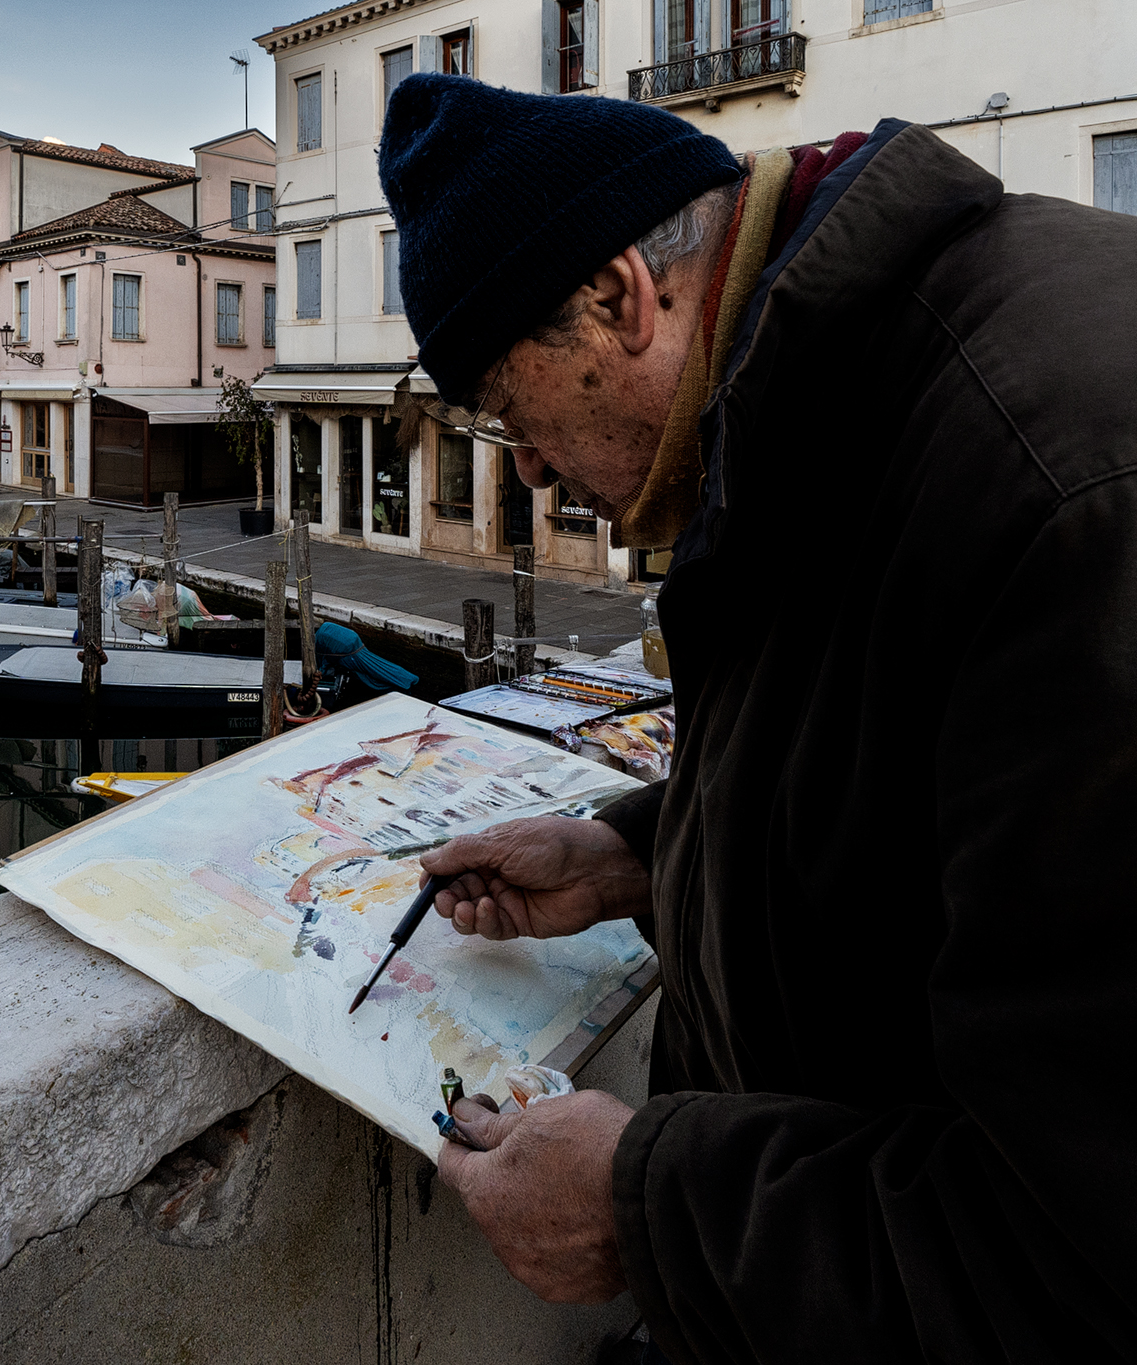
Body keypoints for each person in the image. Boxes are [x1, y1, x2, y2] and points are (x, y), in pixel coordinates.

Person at [378, 75, 1137, 1364]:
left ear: (622, 297)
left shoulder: (1052, 478)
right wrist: (641, 853)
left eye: (513, 415)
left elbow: (1089, 1246)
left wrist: (651, 1212)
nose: (530, 472)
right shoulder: (824, 406)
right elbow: (927, 802)